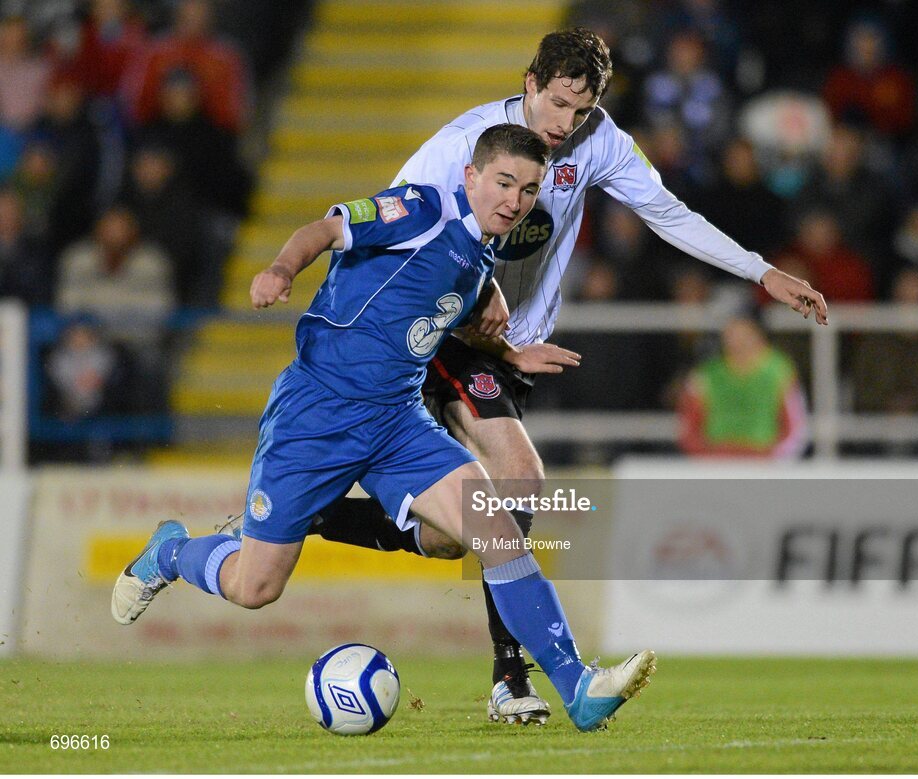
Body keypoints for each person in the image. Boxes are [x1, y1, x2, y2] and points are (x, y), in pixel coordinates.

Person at [269, 28, 828, 725]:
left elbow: (667, 213)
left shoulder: (598, 143)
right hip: (444, 335)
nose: (566, 124)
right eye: (559, 103)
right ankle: (513, 677)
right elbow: (384, 237)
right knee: (521, 476)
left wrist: (762, 270)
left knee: (454, 534)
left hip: (510, 345)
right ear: (531, 83)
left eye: (582, 110)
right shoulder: (462, 146)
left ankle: (314, 514)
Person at [110, 124, 655, 732]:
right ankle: (172, 553)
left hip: (398, 421)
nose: (515, 200)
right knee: (254, 586)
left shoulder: (480, 256)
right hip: (317, 415)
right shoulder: (420, 208)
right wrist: (281, 269)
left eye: (528, 191)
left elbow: (439, 322)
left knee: (491, 531)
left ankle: (576, 684)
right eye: (504, 183)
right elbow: (324, 228)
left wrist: (511, 355)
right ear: (471, 176)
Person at [677, 316, 808, 459]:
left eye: (744, 335)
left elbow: (796, 427)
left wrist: (774, 459)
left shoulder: (780, 371)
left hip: (764, 460)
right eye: (731, 335)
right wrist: (706, 457)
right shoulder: (705, 375)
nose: (737, 342)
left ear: (759, 336)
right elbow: (687, 427)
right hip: (716, 459)